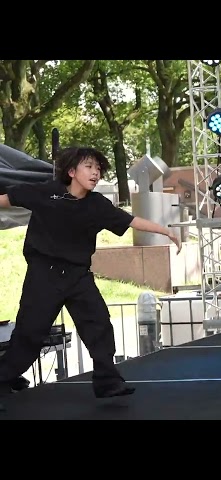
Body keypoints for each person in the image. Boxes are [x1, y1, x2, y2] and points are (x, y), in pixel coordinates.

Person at [0, 146, 182, 411]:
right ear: (71, 171)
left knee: (99, 325)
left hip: (78, 276)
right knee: (30, 333)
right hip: (44, 275)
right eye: (89, 167)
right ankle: (3, 379)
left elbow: (130, 220)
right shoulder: (45, 191)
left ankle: (108, 382)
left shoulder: (97, 205)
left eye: (98, 168)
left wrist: (166, 231)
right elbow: (7, 199)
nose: (95, 173)